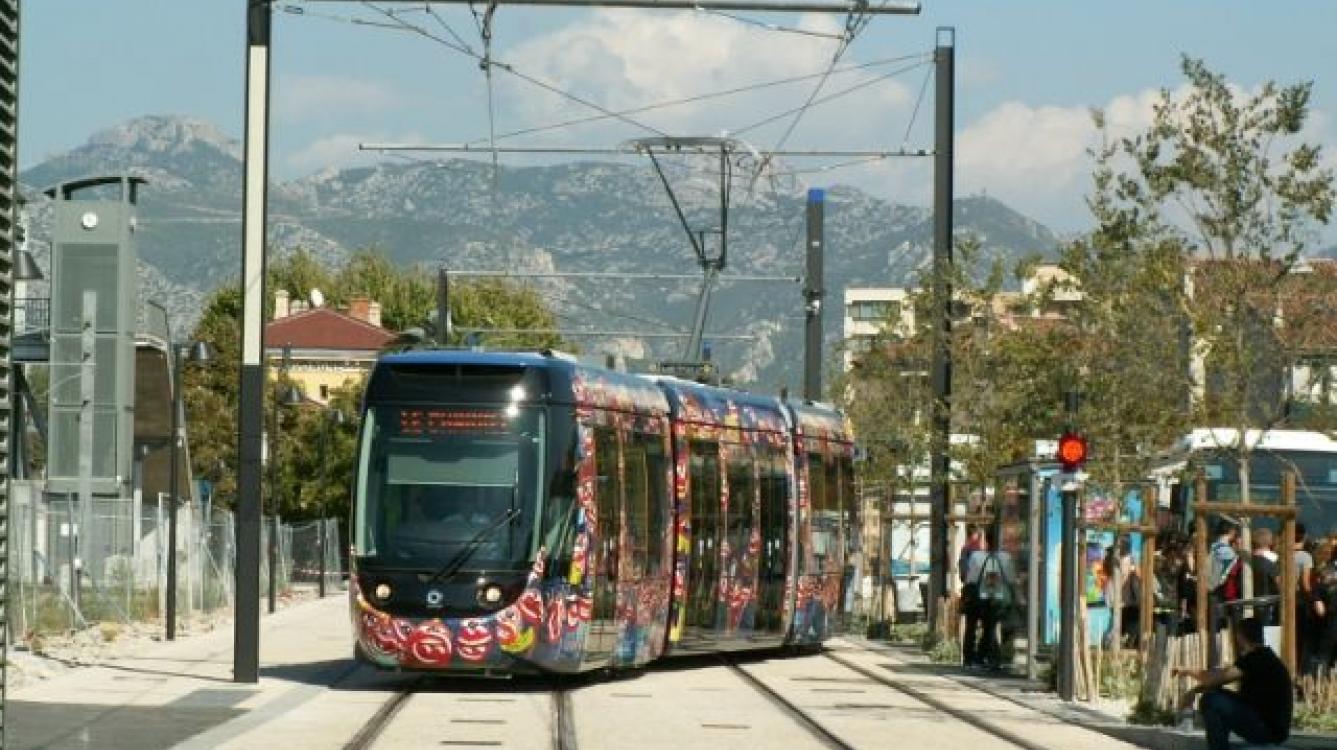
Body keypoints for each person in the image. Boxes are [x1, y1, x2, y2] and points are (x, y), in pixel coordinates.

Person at [1174, 617, 1292, 750]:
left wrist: (1187, 671)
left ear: (1240, 636)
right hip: (1269, 726)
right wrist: (1196, 690)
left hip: (1267, 730)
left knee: (1211, 700)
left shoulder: (1256, 658)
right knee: (1214, 694)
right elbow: (1218, 681)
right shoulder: (1264, 657)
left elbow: (1214, 678)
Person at [964, 535, 1017, 671]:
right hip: (997, 598)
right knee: (990, 627)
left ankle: (969, 658)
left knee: (971, 626)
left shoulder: (976, 557)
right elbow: (1011, 579)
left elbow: (970, 579)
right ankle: (990, 655)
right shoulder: (1006, 558)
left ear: (986, 541)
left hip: (977, 598)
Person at [1208, 520, 1242, 630]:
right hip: (1220, 591)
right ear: (1231, 531)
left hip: (1210, 589)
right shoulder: (1228, 552)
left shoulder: (1212, 547)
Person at [1295, 524, 1318, 674]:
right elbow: (1305, 584)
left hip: (1285, 601)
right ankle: (1302, 672)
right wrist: (1314, 598)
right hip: (1301, 603)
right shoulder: (1305, 557)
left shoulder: (1281, 555)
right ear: (1303, 536)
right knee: (1304, 640)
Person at [1248, 528, 1280, 625]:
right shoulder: (1272, 562)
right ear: (1270, 542)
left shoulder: (1246, 561)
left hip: (1248, 606)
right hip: (1267, 606)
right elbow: (1280, 583)